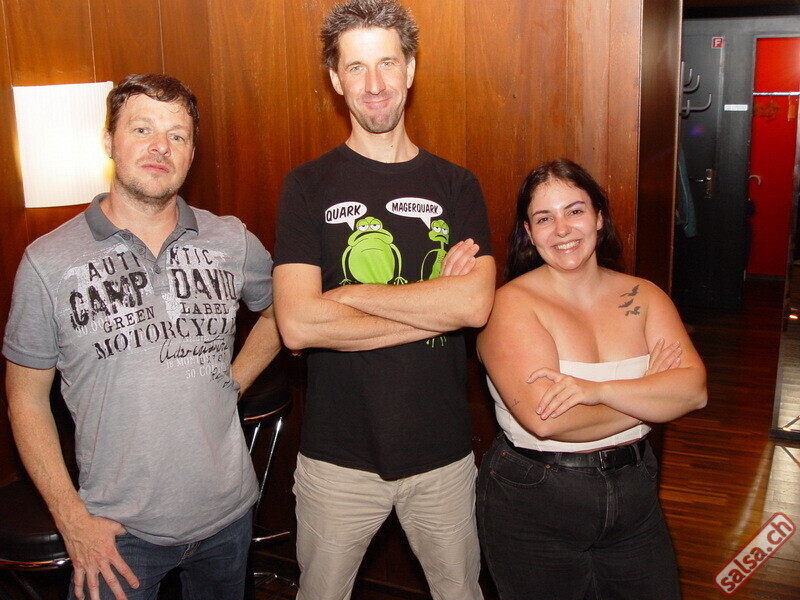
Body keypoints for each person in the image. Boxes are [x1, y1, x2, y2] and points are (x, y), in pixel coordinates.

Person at [3, 73, 281, 600]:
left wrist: (233, 381)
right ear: (109, 141)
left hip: (229, 514)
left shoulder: (232, 239)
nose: (160, 147)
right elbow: (25, 400)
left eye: (177, 135)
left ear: (191, 154)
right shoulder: (46, 262)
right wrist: (70, 517)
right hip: (115, 533)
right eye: (142, 129)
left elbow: (279, 314)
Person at [272, 1, 495, 598]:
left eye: (388, 63)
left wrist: (348, 296)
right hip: (336, 461)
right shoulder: (306, 186)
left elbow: (475, 306)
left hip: (443, 457)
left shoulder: (457, 185)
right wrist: (438, 304)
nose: (374, 84)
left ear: (410, 69)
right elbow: (298, 324)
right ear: (336, 79)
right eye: (357, 67)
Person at [476, 159, 707, 600]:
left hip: (636, 488)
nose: (562, 229)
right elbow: (549, 420)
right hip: (538, 495)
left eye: (575, 211)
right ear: (528, 232)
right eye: (545, 218)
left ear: (599, 217)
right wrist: (652, 396)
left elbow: (694, 391)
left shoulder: (644, 295)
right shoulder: (509, 305)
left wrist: (596, 391)